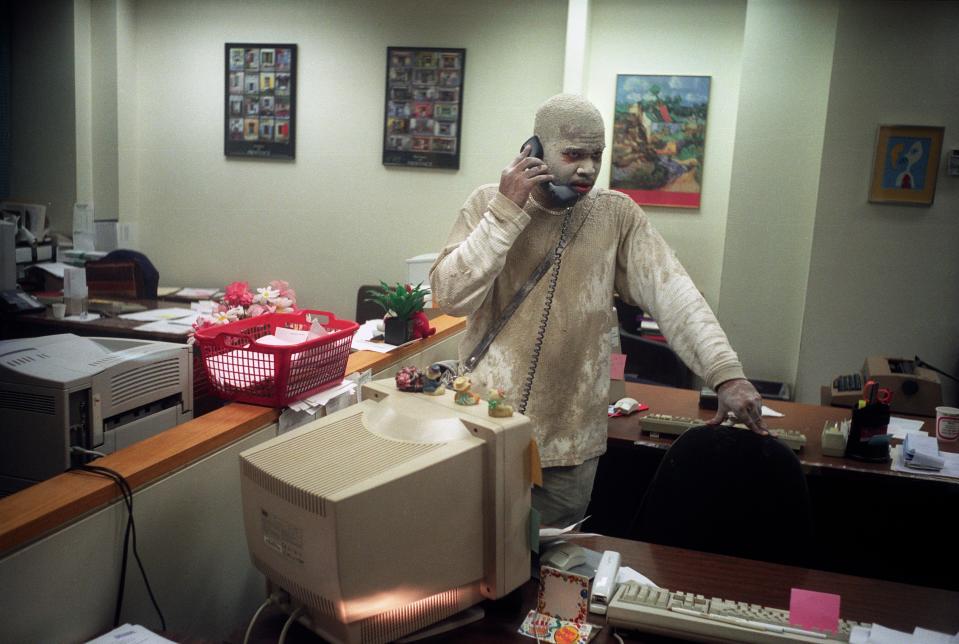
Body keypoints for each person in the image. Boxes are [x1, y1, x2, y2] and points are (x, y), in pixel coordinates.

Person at [429, 94, 766, 528]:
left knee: (550, 570)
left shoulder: (615, 214)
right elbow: (450, 297)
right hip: (483, 434)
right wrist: (505, 213)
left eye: (597, 155)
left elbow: (674, 292)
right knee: (472, 567)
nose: (587, 168)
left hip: (571, 447)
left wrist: (726, 373)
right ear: (534, 149)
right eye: (573, 154)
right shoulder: (488, 204)